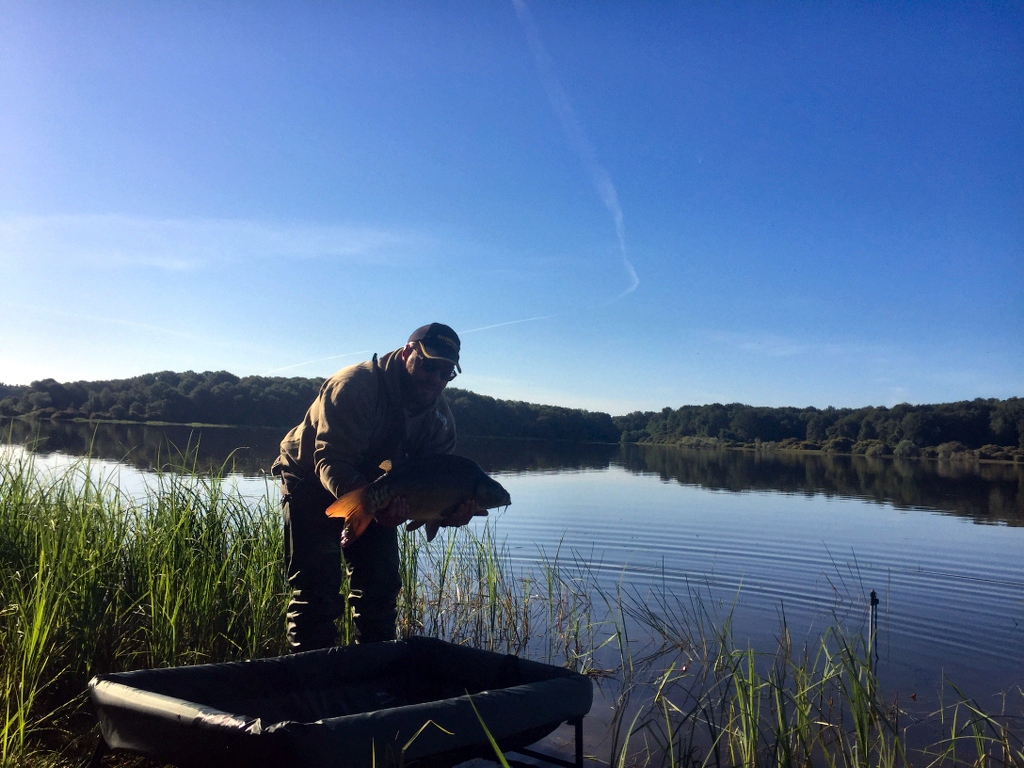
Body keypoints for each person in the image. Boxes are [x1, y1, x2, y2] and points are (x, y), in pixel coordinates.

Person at [271, 323, 480, 650]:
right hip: (310, 478)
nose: (436, 379)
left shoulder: (440, 421)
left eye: (446, 373)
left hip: (380, 490)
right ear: (409, 352)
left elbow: (434, 480)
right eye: (429, 366)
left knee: (379, 591)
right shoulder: (355, 386)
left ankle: (371, 679)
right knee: (316, 593)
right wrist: (374, 503)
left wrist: (448, 511)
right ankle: (311, 684)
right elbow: (330, 460)